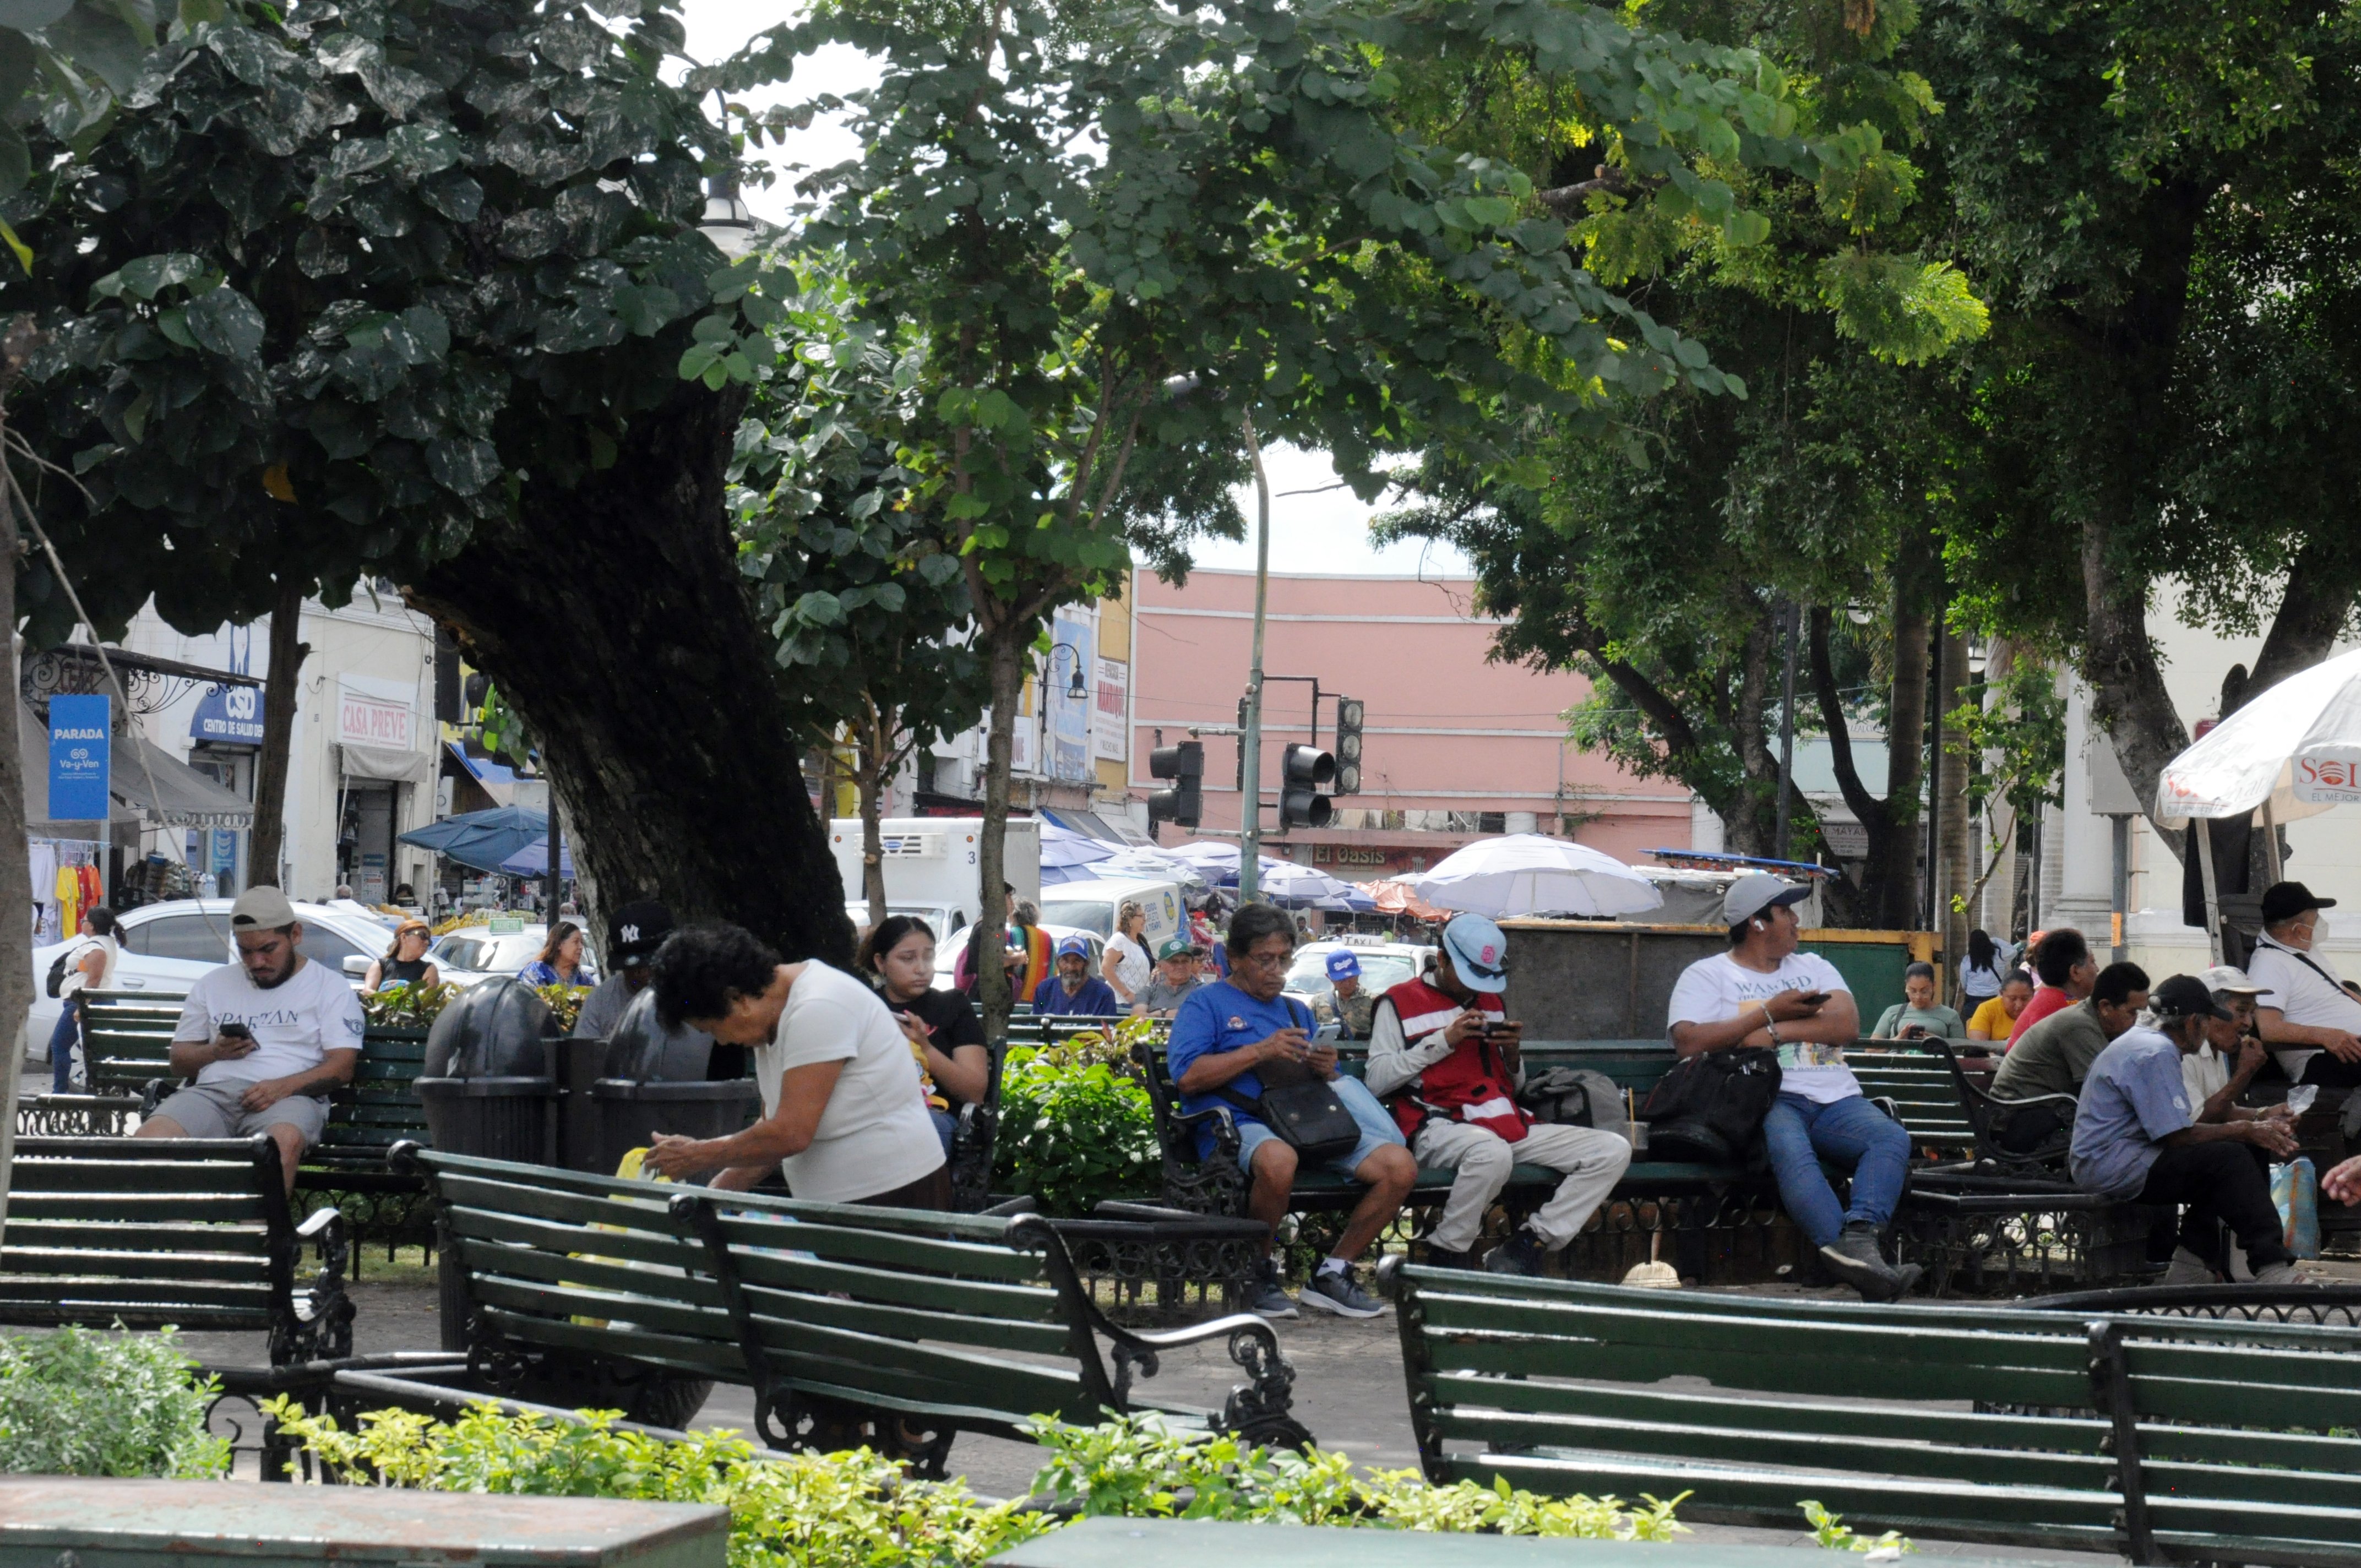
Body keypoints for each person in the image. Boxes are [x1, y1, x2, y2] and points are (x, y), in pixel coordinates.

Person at [1666, 874, 1918, 1301]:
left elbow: (1846, 1025)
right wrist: (1767, 1012)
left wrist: (1774, 1031)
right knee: (1791, 1151)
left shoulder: (1813, 966)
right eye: (1785, 912)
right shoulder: (1708, 975)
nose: (1796, 921)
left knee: (1890, 1138)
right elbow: (1689, 1042)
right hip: (1766, 1099)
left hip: (1836, 1097)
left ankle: (1859, 1241)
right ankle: (1860, 1263)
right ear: (1757, 923)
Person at [1166, 903, 1417, 1319]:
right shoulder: (1205, 1004)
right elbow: (1188, 1078)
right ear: (1235, 959)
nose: (1276, 970)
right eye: (1264, 959)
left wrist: (1325, 1067)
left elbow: (1325, 1078)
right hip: (1234, 1124)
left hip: (1306, 1123)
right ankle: (1258, 1272)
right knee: (1279, 1160)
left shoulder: (1295, 1009)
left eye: (1283, 959)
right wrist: (1259, 1051)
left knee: (1399, 1166)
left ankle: (1333, 1273)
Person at [1366, 914, 1632, 1273]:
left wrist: (1512, 1055)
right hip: (1436, 1126)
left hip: (1503, 1122)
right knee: (1491, 1154)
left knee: (1612, 1150)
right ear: (1441, 959)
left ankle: (1529, 1244)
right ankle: (1447, 1252)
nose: (1475, 988)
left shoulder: (1491, 1001)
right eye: (1468, 975)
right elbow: (1376, 1081)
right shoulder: (1397, 1002)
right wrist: (1443, 1041)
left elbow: (1515, 1088)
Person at [643, 922, 946, 1206]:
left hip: (893, 1196)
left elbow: (790, 1134)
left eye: (712, 1029)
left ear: (738, 1000)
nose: (721, 1041)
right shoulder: (767, 1016)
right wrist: (713, 1195)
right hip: (832, 1206)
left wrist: (698, 1154)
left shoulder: (818, 1006)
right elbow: (771, 1130)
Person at [2069, 974, 2301, 1286]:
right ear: (2193, 1023)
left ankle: (2191, 1264)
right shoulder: (2155, 1051)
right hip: (2113, 1164)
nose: (2206, 1033)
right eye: (2206, 1023)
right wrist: (2244, 1128)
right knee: (2228, 1160)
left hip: (2128, 1156)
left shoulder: (2149, 1041)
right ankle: (2271, 1264)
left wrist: (2250, 1128)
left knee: (2236, 1152)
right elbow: (2177, 1135)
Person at [134, 888, 365, 1190]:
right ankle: (181, 1221)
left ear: (295, 935)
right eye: (245, 951)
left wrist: (282, 1087)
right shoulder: (213, 984)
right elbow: (179, 1061)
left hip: (291, 1097)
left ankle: (258, 1223)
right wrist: (216, 1052)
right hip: (213, 1094)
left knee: (280, 1144)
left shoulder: (330, 987)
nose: (257, 962)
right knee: (150, 1141)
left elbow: (342, 1067)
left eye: (268, 949)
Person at [859, 914, 989, 1156]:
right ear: (880, 962)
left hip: (935, 1117)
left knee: (910, 1130)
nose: (921, 968)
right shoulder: (864, 1007)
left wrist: (924, 1047)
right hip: (870, 1116)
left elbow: (975, 1092)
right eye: (908, 959)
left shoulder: (952, 1005)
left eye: (929, 957)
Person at [2244, 880, 2361, 1087]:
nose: (2319, 926)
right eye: (2315, 921)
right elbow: (2269, 1029)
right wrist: (2326, 1036)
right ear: (2298, 930)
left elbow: (2341, 991)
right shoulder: (2269, 964)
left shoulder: (2304, 950)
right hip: (2327, 1058)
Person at [1992, 961, 2151, 1102]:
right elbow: (2103, 1092)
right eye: (2133, 1013)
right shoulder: (2080, 1027)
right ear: (2105, 1007)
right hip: (2019, 1112)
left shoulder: (2095, 1021)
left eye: (2143, 1012)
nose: (2138, 1020)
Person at [575, 899, 676, 1039]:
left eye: (647, 965)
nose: (639, 974)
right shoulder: (600, 1001)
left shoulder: (691, 997)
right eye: (630, 968)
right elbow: (585, 1049)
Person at [2186, 965, 2271, 1125]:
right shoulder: (2184, 1052)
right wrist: (2244, 1073)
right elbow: (2197, 1122)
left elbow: (2223, 1110)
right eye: (2241, 1011)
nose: (2249, 1023)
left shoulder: (2217, 1048)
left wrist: (2266, 1114)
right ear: (2210, 1012)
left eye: (2252, 1013)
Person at [47, 907, 118, 1093]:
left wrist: (82, 1007)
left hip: (86, 1003)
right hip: (92, 1001)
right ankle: (96, 1090)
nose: (82, 924)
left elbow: (94, 981)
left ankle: (59, 1092)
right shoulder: (103, 944)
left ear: (92, 926)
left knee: (59, 1045)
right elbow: (88, 970)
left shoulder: (97, 948)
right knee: (92, 1049)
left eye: (84, 921)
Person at [2007, 928, 2097, 1047]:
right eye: (2092, 962)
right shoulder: (2059, 1009)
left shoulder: (2053, 1000)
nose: (2097, 969)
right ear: (2075, 972)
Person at [1871, 962, 1967, 1040]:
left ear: (1934, 986)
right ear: (1906, 986)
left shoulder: (1950, 1015)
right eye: (1913, 991)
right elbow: (1871, 1050)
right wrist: (1898, 1039)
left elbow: (1961, 1050)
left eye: (1924, 991)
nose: (1918, 997)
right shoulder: (1892, 1012)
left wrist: (1938, 1043)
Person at [1032, 935, 1122, 1016]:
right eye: (1065, 961)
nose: (1071, 967)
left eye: (1077, 961)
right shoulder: (1044, 991)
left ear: (1086, 964)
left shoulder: (1103, 995)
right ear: (1057, 962)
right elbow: (1037, 1021)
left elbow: (1107, 1028)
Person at [1133, 937, 1210, 1017]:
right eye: (1174, 962)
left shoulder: (1202, 991)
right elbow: (1137, 1017)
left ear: (1191, 964)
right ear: (1160, 966)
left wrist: (1161, 1013)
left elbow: (1200, 1014)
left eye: (1185, 961)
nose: (1180, 966)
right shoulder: (1149, 992)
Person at [1312, 949, 1378, 1041]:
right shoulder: (1318, 1002)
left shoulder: (1375, 1002)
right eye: (1341, 979)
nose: (1347, 984)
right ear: (1329, 977)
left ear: (1359, 973)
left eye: (1351, 978)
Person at [362, 919, 439, 994]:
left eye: (429, 940)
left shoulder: (428, 969)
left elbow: (425, 998)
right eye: (422, 936)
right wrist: (392, 997)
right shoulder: (381, 965)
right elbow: (367, 992)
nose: (427, 942)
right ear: (404, 937)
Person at [1103, 900, 1152, 1007]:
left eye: (1145, 916)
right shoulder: (1119, 940)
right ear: (1130, 919)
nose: (1145, 920)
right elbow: (1106, 968)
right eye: (1141, 916)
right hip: (1121, 1004)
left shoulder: (1140, 941)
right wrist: (1127, 994)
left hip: (1138, 1003)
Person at [1967, 972, 2034, 1043]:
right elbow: (1977, 1046)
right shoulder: (1987, 1009)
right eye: (2013, 999)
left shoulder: (2040, 1010)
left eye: (2025, 999)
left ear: (2033, 994)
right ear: (2001, 994)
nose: (2019, 1005)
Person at [519, 920, 589, 988]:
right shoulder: (536, 971)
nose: (581, 947)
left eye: (582, 942)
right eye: (576, 942)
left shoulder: (584, 979)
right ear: (559, 944)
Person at [1959, 928, 2009, 1012]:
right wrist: (1994, 940)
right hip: (1995, 997)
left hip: (1973, 999)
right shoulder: (1999, 957)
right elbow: (2013, 951)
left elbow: (1964, 982)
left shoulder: (1967, 960)